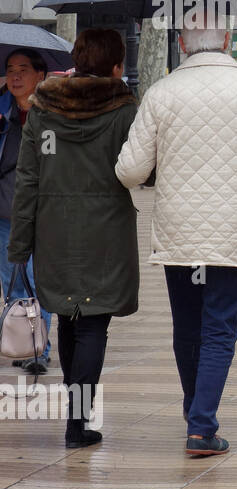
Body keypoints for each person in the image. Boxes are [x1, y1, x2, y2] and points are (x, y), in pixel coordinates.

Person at [116, 22, 237, 456]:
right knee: (220, 326)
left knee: (188, 324)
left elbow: (130, 170)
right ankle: (201, 425)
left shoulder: (161, 91)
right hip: (234, 230)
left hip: (180, 231)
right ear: (229, 42)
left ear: (180, 44)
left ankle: (197, 413)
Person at [9, 29, 137, 448]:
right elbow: (140, 169)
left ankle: (74, 415)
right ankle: (76, 422)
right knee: (94, 323)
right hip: (106, 230)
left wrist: (20, 243)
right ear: (115, 66)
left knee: (68, 315)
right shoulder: (124, 110)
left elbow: (28, 178)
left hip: (54, 228)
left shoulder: (43, 110)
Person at [1, 47, 53, 373]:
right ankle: (24, 341)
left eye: (23, 69)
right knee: (13, 281)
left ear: (40, 75)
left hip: (42, 211)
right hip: (5, 211)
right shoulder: (1, 111)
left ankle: (38, 349)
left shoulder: (52, 114)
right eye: (10, 69)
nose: (16, 76)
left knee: (36, 279)